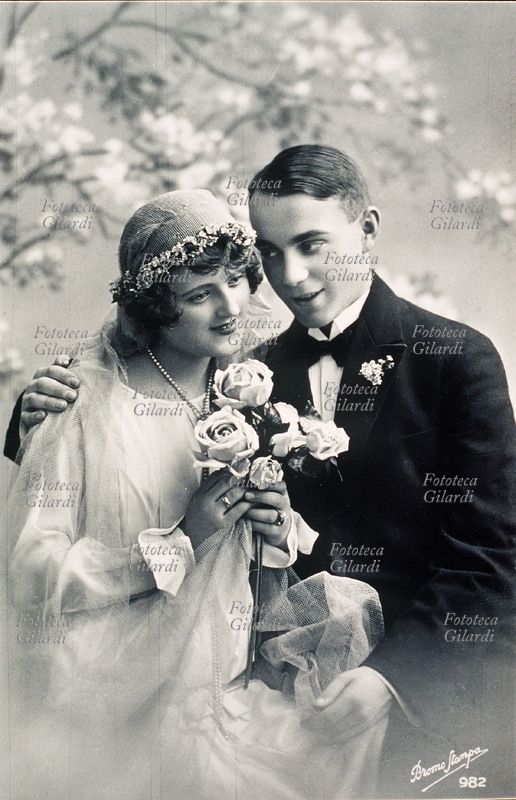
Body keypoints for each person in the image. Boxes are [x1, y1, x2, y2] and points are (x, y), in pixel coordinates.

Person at [7, 146, 516, 797]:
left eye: (311, 244)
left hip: (422, 690)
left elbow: (489, 559)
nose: (292, 277)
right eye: (271, 254)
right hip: (249, 684)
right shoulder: (252, 372)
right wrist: (34, 417)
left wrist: (393, 680)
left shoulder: (454, 360)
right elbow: (127, 459)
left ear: (368, 230)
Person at [5, 189, 387, 800]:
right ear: (155, 307)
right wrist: (180, 543)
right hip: (118, 702)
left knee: (353, 743)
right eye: (198, 293)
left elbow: (251, 585)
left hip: (227, 693)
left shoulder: (249, 394)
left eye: (237, 280)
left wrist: (278, 528)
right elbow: (31, 574)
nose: (231, 305)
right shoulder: (81, 403)